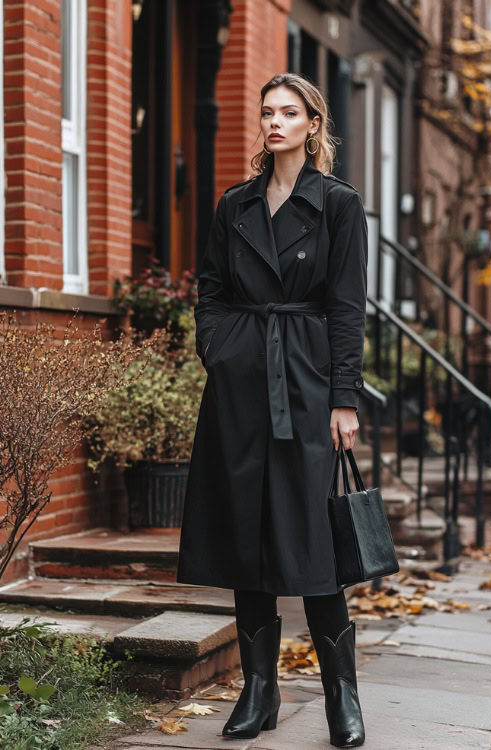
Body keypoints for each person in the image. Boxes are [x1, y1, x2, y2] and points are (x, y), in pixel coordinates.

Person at [176, 72, 368, 748]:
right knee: (246, 535)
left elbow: (348, 308)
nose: (275, 123)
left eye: (290, 112)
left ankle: (342, 693)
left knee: (312, 540)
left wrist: (343, 397)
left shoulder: (339, 205)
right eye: (267, 113)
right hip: (241, 387)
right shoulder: (235, 204)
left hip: (310, 384)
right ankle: (259, 689)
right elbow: (211, 287)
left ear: (314, 125)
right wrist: (221, 351)